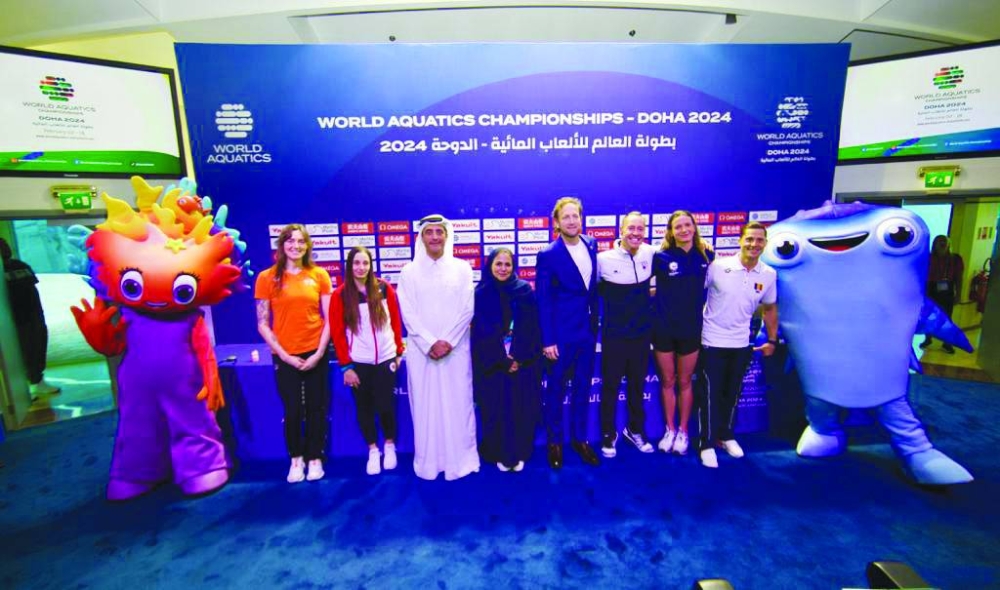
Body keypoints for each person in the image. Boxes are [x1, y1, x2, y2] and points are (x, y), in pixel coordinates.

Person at [397, 214, 479, 481]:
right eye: (429, 232)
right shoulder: (408, 272)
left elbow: (467, 308)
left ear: (447, 236)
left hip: (455, 352)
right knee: (426, 407)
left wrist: (448, 341)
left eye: (439, 232)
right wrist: (429, 342)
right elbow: (407, 312)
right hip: (423, 354)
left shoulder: (462, 268)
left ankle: (461, 461)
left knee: (458, 404)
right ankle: (429, 463)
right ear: (421, 237)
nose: (434, 237)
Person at [255, 224, 333, 483]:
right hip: (284, 355)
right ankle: (296, 459)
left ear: (307, 246)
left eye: (301, 242)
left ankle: (314, 458)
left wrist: (319, 352)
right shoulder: (267, 278)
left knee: (316, 408)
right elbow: (263, 323)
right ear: (282, 245)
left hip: (315, 351)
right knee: (292, 410)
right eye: (290, 241)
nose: (296, 246)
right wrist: (285, 356)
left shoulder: (319, 275)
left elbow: (330, 318)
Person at [698, 221, 778, 469]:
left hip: (742, 343)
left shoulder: (768, 274)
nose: (754, 244)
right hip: (711, 340)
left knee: (732, 393)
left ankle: (726, 436)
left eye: (759, 240)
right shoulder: (718, 267)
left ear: (765, 244)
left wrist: (772, 339)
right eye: (749, 239)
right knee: (710, 395)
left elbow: (769, 308)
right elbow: (689, 292)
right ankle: (706, 443)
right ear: (740, 241)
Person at [536, 197, 601, 469]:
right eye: (566, 217)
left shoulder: (592, 244)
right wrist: (548, 339)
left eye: (576, 216)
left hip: (587, 332)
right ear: (557, 222)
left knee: (583, 388)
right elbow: (543, 299)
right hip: (561, 336)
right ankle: (555, 442)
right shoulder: (548, 254)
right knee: (556, 390)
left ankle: (580, 439)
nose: (572, 221)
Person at [330, 246, 405, 476]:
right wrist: (346, 366)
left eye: (365, 263)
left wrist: (398, 351)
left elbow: (395, 322)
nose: (361, 267)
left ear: (371, 265)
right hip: (358, 363)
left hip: (385, 359)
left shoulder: (384, 289)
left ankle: (389, 445)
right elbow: (337, 332)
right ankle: (373, 450)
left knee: (385, 406)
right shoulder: (340, 295)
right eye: (356, 263)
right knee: (364, 408)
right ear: (349, 266)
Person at [471, 247, 543, 472]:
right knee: (496, 410)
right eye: (498, 264)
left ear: (514, 267)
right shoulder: (480, 293)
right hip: (493, 366)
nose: (503, 269)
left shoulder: (524, 290)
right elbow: (481, 332)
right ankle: (498, 453)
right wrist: (502, 360)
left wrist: (517, 357)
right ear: (490, 266)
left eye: (507, 264)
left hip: (522, 364)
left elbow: (532, 328)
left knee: (522, 408)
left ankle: (519, 452)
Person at [652, 211, 715, 456]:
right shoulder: (661, 257)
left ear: (694, 227)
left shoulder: (707, 254)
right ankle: (669, 429)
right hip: (664, 328)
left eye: (687, 225)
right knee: (667, 381)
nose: (683, 230)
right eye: (678, 226)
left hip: (691, 329)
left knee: (685, 381)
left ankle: (683, 431)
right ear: (671, 231)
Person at [597, 212, 655, 458]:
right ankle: (608, 434)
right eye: (631, 228)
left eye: (640, 229)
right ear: (621, 230)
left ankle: (635, 430)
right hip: (614, 336)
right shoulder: (602, 259)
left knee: (636, 385)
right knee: (610, 387)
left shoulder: (652, 253)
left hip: (641, 336)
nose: (636, 233)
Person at [1, 237, 60, 400]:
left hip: (33, 316)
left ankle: (37, 381)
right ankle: (23, 388)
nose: (5, 249)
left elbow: (32, 288)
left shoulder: (20, 265)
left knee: (37, 347)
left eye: (5, 245)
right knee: (19, 353)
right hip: (12, 322)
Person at [921, 235, 964, 354]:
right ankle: (928, 339)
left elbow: (959, 278)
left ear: (949, 244)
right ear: (934, 244)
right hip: (931, 288)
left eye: (944, 241)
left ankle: (947, 343)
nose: (942, 244)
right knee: (929, 315)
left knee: (946, 318)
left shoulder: (955, 259)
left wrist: (958, 294)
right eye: (939, 241)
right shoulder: (928, 258)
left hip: (947, 290)